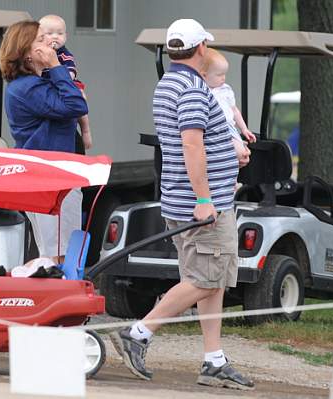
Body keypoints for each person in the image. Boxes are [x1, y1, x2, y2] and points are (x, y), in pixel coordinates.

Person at [110, 19, 254, 390]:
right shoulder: (191, 88)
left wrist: (227, 152)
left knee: (211, 280)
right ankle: (138, 334)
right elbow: (191, 145)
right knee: (207, 278)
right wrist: (205, 199)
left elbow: (195, 140)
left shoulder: (169, 83)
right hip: (203, 204)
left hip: (183, 197)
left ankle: (213, 359)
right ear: (202, 49)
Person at [0, 20, 88, 264]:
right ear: (26, 53)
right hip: (51, 177)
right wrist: (57, 65)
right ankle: (58, 295)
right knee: (60, 253)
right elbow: (76, 105)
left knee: (54, 249)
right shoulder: (28, 88)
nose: (49, 42)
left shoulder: (32, 85)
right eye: (40, 40)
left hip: (50, 176)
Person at [38, 14, 93, 153]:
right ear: (39, 37)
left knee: (80, 98)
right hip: (47, 84)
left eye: (60, 33)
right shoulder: (37, 53)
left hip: (65, 83)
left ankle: (86, 130)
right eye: (49, 33)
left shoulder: (64, 54)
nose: (55, 37)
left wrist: (62, 77)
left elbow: (71, 71)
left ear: (66, 36)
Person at [201, 48, 256, 167]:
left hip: (229, 127)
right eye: (219, 75)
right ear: (204, 75)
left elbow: (234, 110)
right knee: (237, 154)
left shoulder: (226, 89)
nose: (223, 78)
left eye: (224, 74)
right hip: (213, 129)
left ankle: (233, 181)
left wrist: (244, 129)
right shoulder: (202, 91)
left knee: (242, 155)